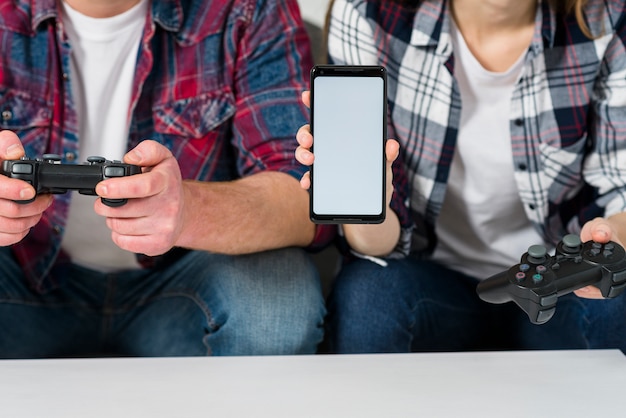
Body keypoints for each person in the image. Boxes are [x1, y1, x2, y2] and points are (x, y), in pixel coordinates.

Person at [0, 0, 333, 358]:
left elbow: (309, 193)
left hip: (181, 288)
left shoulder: (247, 8)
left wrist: (190, 211)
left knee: (278, 299)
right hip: (20, 288)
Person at [296, 0, 626, 353]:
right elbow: (378, 243)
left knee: (615, 300)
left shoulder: (607, 15)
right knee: (368, 297)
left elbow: (618, 184)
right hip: (430, 281)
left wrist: (612, 236)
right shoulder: (368, 12)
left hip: (554, 278)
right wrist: (370, 203)